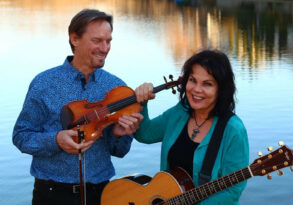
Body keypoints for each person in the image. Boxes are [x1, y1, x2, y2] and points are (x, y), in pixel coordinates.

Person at [12, 9, 141, 205]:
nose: (105, 48)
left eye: (109, 41)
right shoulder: (44, 83)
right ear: (75, 39)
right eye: (97, 41)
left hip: (102, 193)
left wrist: (118, 134)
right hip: (51, 193)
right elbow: (21, 136)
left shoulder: (116, 88)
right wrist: (56, 140)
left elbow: (120, 151)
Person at [134, 49, 249, 204]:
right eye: (192, 80)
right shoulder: (180, 112)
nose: (196, 89)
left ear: (221, 90)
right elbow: (145, 134)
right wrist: (141, 102)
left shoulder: (233, 130)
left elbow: (232, 192)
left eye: (207, 84)